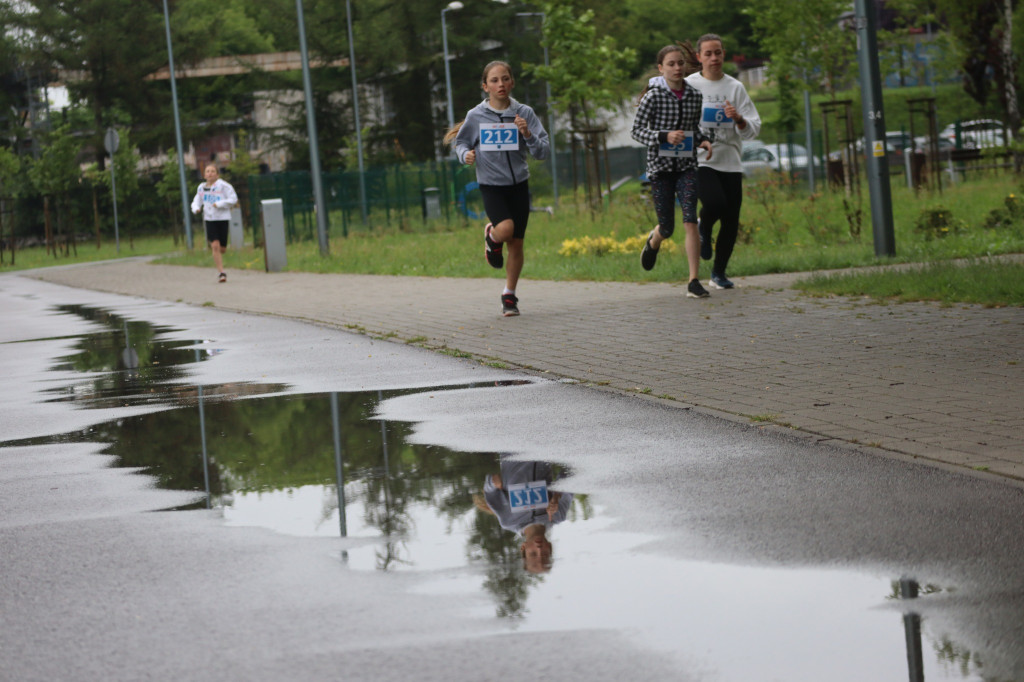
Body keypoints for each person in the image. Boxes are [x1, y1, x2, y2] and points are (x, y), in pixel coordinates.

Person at [444, 61, 550, 317]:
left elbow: (543, 151)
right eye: (494, 80)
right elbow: (461, 143)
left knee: (516, 243)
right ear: (485, 86)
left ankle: (509, 295)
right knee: (506, 229)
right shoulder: (476, 116)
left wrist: (527, 134)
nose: (500, 84)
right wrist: (465, 155)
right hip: (491, 185)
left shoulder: (525, 112)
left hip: (519, 185)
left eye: (505, 79)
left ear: (512, 82)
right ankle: (492, 236)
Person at [632, 44, 713, 299]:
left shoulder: (694, 96)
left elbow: (694, 129)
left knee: (690, 219)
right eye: (671, 64)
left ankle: (693, 281)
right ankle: (654, 241)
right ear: (661, 69)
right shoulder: (653, 97)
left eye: (680, 63)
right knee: (667, 227)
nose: (677, 68)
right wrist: (664, 136)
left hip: (687, 167)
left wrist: (704, 140)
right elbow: (636, 131)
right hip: (661, 169)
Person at [686, 33, 761, 289]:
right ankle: (703, 228)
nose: (714, 58)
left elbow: (753, 127)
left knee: (731, 219)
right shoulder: (690, 85)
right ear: (699, 57)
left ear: (723, 54)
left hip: (730, 159)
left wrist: (738, 118)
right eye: (708, 53)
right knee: (715, 202)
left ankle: (718, 273)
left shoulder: (735, 87)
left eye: (718, 52)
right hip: (700, 159)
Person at [481, 457, 573, 574]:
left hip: (512, 448)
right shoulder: (558, 515)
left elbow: (489, 492)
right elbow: (570, 471)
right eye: (544, 554)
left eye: (533, 554)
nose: (539, 549)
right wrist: (558, 493)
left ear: (523, 548)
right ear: (549, 547)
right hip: (541, 447)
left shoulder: (509, 521)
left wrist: (493, 482)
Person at [190, 163, 238, 283]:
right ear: (204, 174)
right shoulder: (201, 187)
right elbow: (197, 200)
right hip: (209, 219)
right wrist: (196, 208)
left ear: (217, 174)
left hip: (222, 218)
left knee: (222, 249)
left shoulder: (223, 186)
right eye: (207, 171)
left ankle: (222, 252)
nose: (210, 173)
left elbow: (233, 199)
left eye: (212, 171)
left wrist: (220, 204)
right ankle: (222, 273)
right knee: (214, 246)